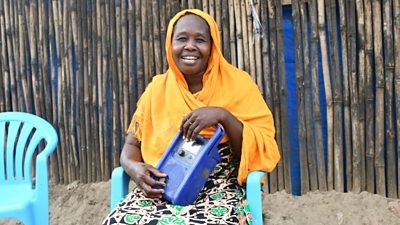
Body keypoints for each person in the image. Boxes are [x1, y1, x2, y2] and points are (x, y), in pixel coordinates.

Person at [103, 9, 280, 225]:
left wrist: (222, 115)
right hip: (163, 188)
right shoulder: (157, 89)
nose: (190, 46)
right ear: (170, 45)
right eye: (181, 39)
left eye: (200, 40)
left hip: (221, 188)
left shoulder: (239, 85)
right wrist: (133, 168)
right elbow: (132, 145)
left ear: (212, 46)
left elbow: (258, 148)